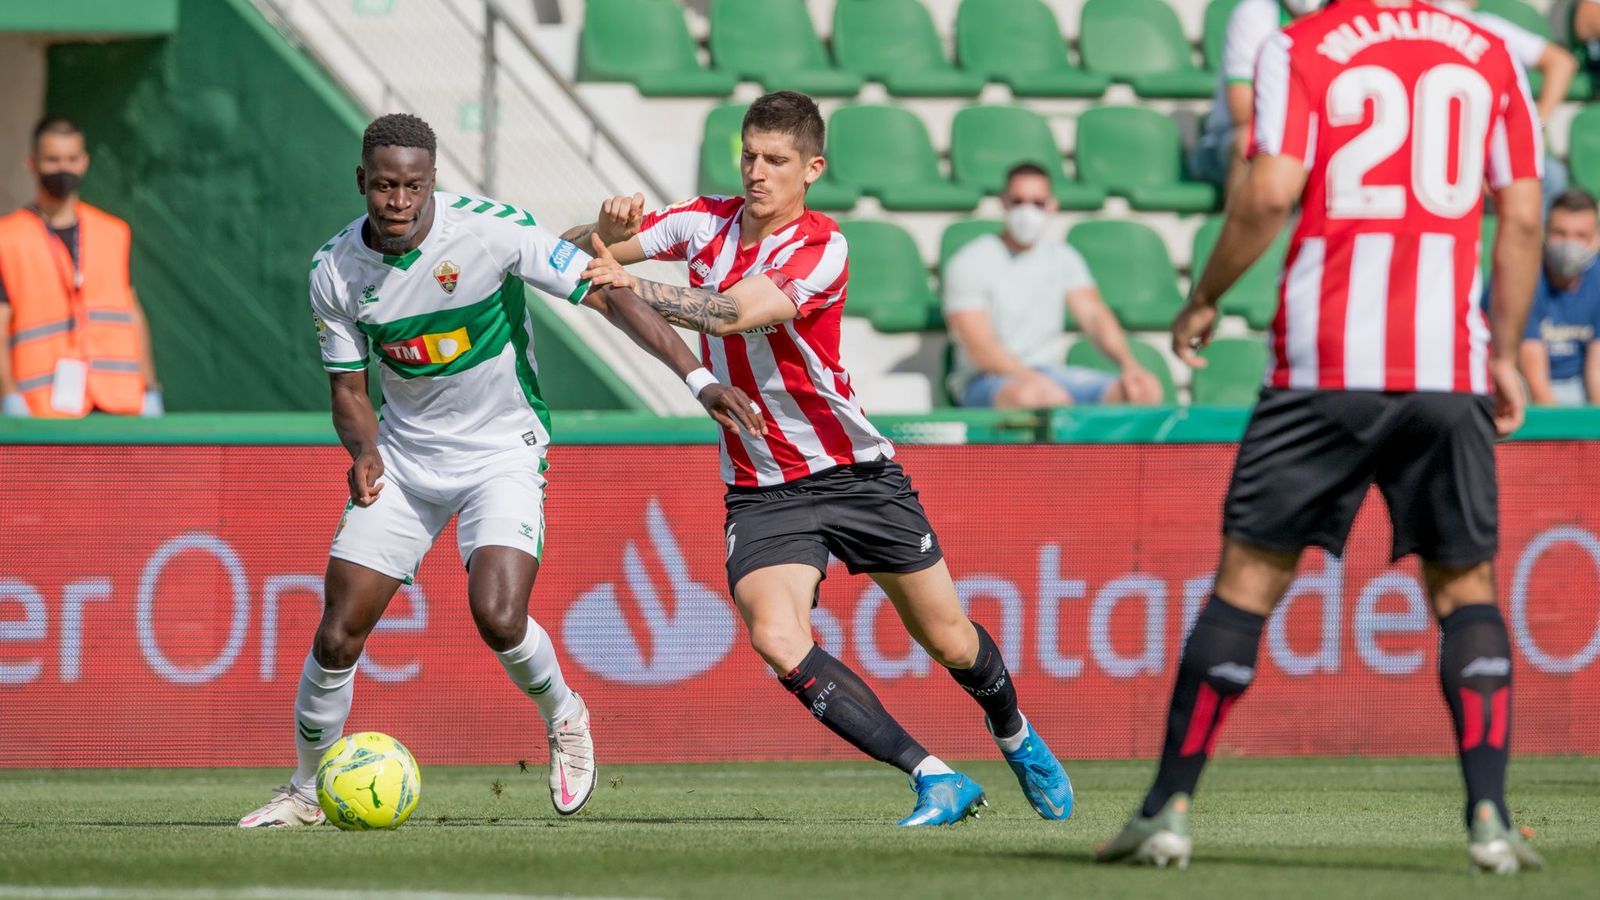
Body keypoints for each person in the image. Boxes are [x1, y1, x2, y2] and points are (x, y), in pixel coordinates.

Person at [1097, 0, 1547, 873]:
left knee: (1248, 586)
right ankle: (1490, 818)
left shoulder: (1299, 44)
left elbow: (1269, 190)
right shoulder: (1491, 50)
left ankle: (1167, 810)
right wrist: (1501, 345)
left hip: (1323, 365)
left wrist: (1206, 295)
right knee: (1467, 593)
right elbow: (1521, 217)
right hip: (1446, 369)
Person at [237, 114, 761, 827]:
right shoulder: (334, 271)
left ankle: (565, 715)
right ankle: (304, 791)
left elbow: (608, 292)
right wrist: (363, 452)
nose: (398, 201)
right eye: (384, 185)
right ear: (362, 182)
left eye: (412, 187)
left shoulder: (491, 231)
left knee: (498, 614)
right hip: (405, 458)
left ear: (432, 184)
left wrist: (699, 381)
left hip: (501, 451)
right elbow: (348, 391)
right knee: (338, 632)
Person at [572, 91, 1074, 826]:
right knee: (776, 638)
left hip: (854, 474)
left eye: (775, 160)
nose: (756, 172)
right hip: (761, 487)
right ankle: (933, 776)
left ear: (812, 168)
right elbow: (570, 248)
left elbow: (731, 311)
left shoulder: (822, 246)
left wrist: (627, 275)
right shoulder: (700, 220)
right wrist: (603, 232)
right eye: (748, 155)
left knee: (951, 640)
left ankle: (1015, 734)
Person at [942, 162, 1163, 409]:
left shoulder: (1063, 257)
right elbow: (979, 347)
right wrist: (1030, 379)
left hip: (1050, 375)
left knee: (1143, 391)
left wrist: (1129, 365)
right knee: (1034, 398)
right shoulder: (969, 260)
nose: (1027, 211)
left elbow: (1093, 315)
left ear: (1052, 205)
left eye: (1037, 202)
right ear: (1003, 203)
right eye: (1018, 201)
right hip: (984, 379)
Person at [0, 117, 161, 417]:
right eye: (53, 159)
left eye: (72, 159)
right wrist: (8, 393)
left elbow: (131, 312)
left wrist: (150, 388)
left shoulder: (113, 233)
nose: (64, 168)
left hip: (118, 399)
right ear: (32, 164)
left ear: (84, 162)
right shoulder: (7, 238)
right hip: (44, 407)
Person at [1436, 0, 1576, 208]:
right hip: (1443, 153)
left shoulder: (1487, 27)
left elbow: (1562, 63)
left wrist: (1537, 123)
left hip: (1492, 147)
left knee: (1551, 174)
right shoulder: (1413, 31)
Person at [1191, 0, 1324, 196]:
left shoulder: (1342, 18)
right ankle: (1242, 226)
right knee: (1251, 140)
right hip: (1229, 139)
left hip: (1306, 136)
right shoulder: (1255, 14)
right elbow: (1242, 112)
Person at [1520, 188, 1600, 405]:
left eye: (1581, 235)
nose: (1569, 244)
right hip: (1526, 386)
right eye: (1560, 233)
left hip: (1578, 383)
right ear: (1545, 231)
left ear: (1596, 238)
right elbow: (1536, 383)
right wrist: (1561, 435)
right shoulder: (1522, 279)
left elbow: (1597, 373)